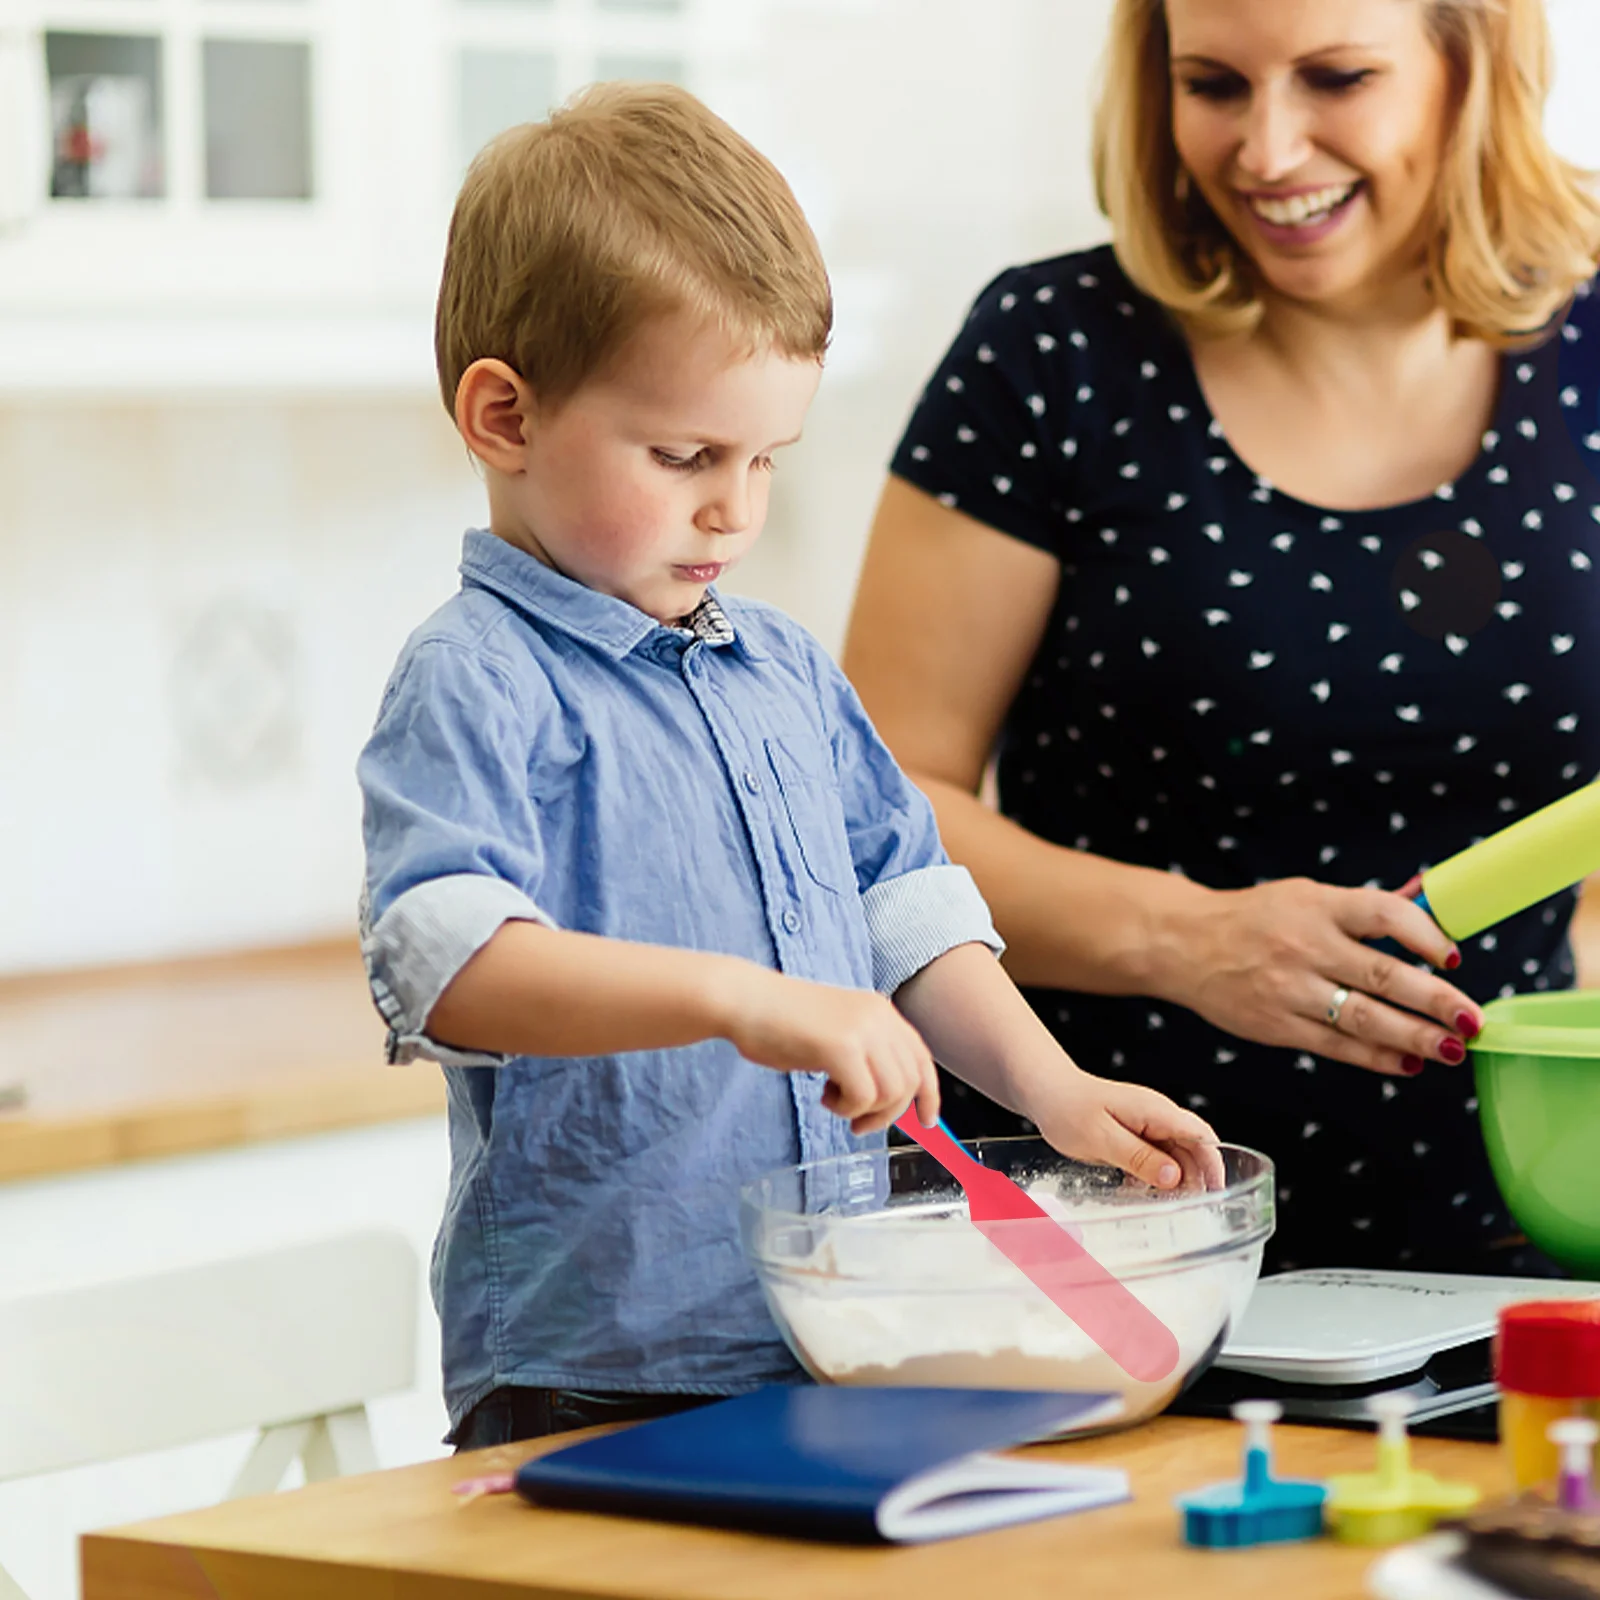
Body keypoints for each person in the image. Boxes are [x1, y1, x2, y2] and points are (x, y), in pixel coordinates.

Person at [356, 83, 1217, 1450]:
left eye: (765, 458)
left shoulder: (785, 672)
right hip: (598, 1370)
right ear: (506, 418)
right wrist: (744, 1001)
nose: (735, 509)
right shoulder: (480, 679)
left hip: (827, 1337)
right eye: (685, 454)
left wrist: (1055, 1093)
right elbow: (453, 966)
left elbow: (906, 910)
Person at [843, 0, 1600, 1278]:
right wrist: (1186, 937)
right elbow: (868, 813)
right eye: (1213, 86)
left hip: (1525, 1240)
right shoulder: (1050, 356)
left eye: (1337, 77)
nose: (1267, 150)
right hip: (1112, 1235)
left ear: (1471, 65)